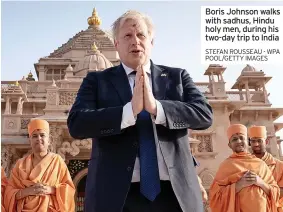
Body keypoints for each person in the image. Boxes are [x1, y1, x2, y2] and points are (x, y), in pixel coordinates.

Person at [67, 10, 213, 212]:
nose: (135, 41)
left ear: (151, 42)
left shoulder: (176, 77)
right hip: (116, 197)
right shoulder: (97, 81)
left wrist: (157, 108)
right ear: (116, 44)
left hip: (175, 195)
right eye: (127, 36)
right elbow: (77, 124)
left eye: (141, 35)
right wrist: (128, 112)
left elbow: (204, 114)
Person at [4, 119, 75, 212]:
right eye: (34, 136)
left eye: (42, 135)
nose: (38, 138)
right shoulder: (20, 164)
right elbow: (8, 194)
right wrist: (28, 191)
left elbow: (69, 189)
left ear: (49, 140)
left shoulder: (57, 161)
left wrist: (50, 190)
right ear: (30, 140)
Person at [209, 124, 279, 212]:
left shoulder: (260, 164)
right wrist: (239, 185)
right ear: (229, 145)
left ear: (248, 141)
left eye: (242, 138)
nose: (239, 141)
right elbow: (215, 196)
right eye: (234, 139)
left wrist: (260, 182)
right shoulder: (226, 166)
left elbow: (275, 192)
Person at [249, 125, 283, 211]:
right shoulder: (245, 164)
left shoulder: (279, 165)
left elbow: (282, 192)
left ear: (266, 141)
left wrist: (262, 184)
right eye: (253, 141)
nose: (256, 144)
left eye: (259, 141)